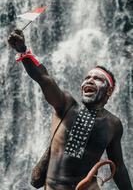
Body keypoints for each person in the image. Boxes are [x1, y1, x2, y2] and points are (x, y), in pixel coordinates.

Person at [8, 29, 133, 190]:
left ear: (109, 91)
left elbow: (119, 167)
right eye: (87, 78)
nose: (90, 80)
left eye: (97, 79)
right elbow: (44, 79)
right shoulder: (66, 105)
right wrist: (23, 51)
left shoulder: (113, 124)